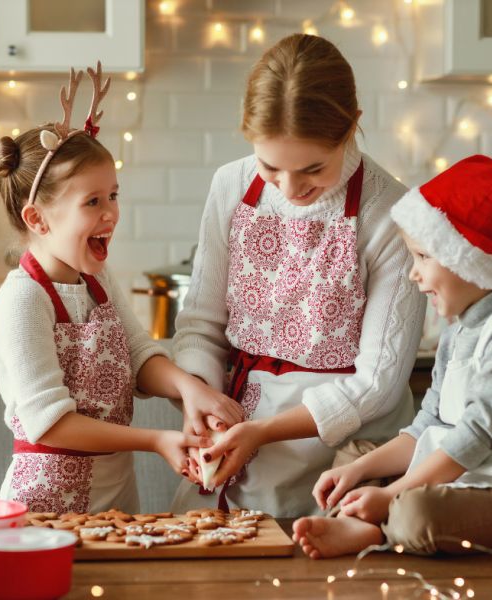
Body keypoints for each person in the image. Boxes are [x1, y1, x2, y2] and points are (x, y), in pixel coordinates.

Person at [170, 34, 426, 517]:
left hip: (348, 462)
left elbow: (378, 384)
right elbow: (201, 327)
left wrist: (263, 432)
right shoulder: (230, 185)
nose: (290, 188)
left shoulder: (390, 212)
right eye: (270, 167)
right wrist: (201, 400)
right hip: (233, 443)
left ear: (352, 128)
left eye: (313, 168)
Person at [293, 154, 492, 557]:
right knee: (356, 455)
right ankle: (368, 520)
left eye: (423, 257)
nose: (414, 273)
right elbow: (428, 426)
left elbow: (474, 437)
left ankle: (378, 530)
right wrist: (358, 471)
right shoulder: (459, 330)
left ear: (473, 263)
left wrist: (394, 493)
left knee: (416, 512)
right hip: (468, 472)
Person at [0, 62, 243, 515]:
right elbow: (51, 425)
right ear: (37, 219)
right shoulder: (23, 299)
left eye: (114, 196)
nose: (111, 214)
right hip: (47, 507)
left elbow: (139, 356)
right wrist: (155, 439)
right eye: (92, 202)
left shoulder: (97, 281)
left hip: (116, 499)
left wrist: (187, 387)